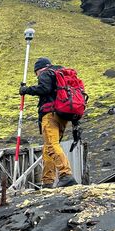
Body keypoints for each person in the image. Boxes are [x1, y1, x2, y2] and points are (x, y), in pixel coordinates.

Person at [19, 57, 78, 188]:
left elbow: (44, 89)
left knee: (51, 145)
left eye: (36, 74)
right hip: (63, 116)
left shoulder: (46, 73)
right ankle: (47, 181)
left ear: (38, 70)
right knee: (47, 148)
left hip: (50, 114)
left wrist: (26, 90)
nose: (37, 76)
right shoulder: (59, 73)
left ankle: (66, 175)